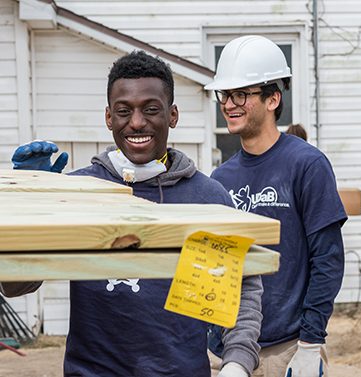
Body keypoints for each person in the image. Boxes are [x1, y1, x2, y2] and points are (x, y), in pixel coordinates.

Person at [1, 50, 262, 377]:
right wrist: (31, 204)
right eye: (124, 111)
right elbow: (16, 286)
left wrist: (237, 363)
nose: (137, 122)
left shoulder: (206, 199)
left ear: (173, 115)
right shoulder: (79, 192)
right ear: (109, 117)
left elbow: (239, 292)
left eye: (151, 109)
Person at [204, 35, 347, 377]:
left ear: (273, 99)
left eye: (242, 94)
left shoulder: (307, 165)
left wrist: (311, 344)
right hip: (227, 348)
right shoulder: (219, 178)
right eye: (225, 94)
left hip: (288, 348)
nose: (229, 104)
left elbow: (327, 259)